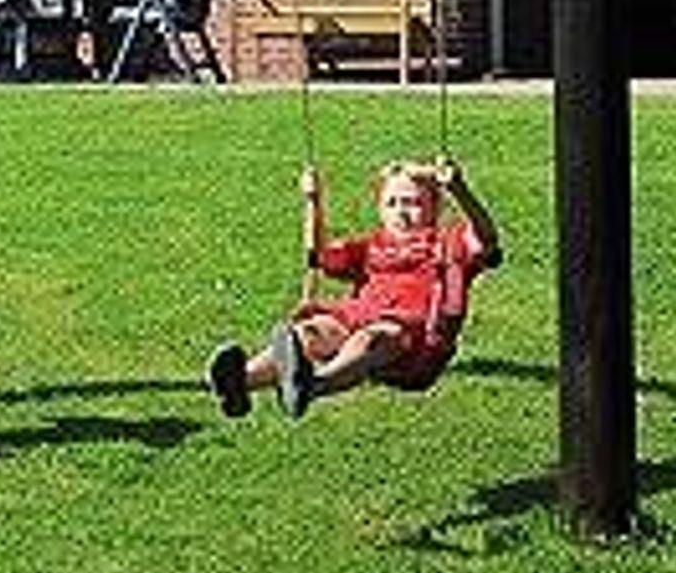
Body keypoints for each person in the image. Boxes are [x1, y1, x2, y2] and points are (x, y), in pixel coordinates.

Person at [207, 159, 502, 420]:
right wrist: (313, 201)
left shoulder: (448, 244)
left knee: (368, 340)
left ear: (435, 207)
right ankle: (240, 382)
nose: (401, 212)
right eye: (392, 203)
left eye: (412, 202)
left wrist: (459, 189)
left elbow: (486, 238)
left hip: (412, 334)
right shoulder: (371, 246)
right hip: (358, 314)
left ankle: (314, 384)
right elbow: (320, 256)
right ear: (380, 208)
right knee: (310, 333)